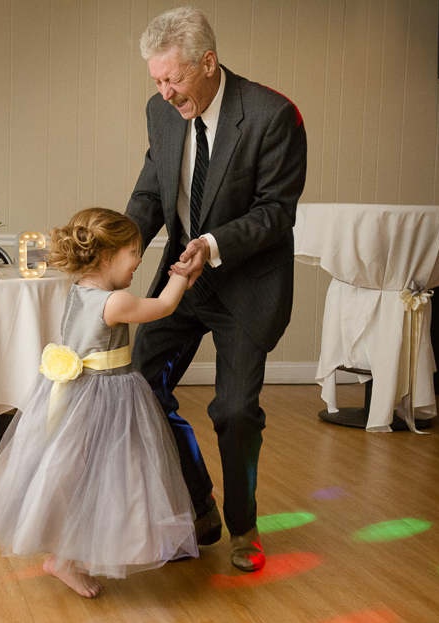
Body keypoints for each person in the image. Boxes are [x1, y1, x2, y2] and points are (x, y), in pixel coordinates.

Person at [125, 7, 308, 572]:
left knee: (233, 410)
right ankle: (201, 504)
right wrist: (108, 253)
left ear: (208, 63)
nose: (164, 91)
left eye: (172, 79)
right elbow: (152, 196)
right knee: (139, 388)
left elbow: (276, 213)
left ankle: (243, 526)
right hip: (182, 282)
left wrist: (210, 244)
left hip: (244, 284)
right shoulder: (161, 111)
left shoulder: (273, 115)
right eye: (156, 80)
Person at [0, 208, 198, 598]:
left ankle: (67, 556)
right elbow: (165, 307)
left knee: (78, 476)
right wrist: (181, 276)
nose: (139, 261)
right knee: (109, 476)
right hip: (106, 397)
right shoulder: (116, 301)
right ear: (107, 257)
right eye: (134, 252)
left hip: (74, 393)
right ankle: (67, 560)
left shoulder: (78, 289)